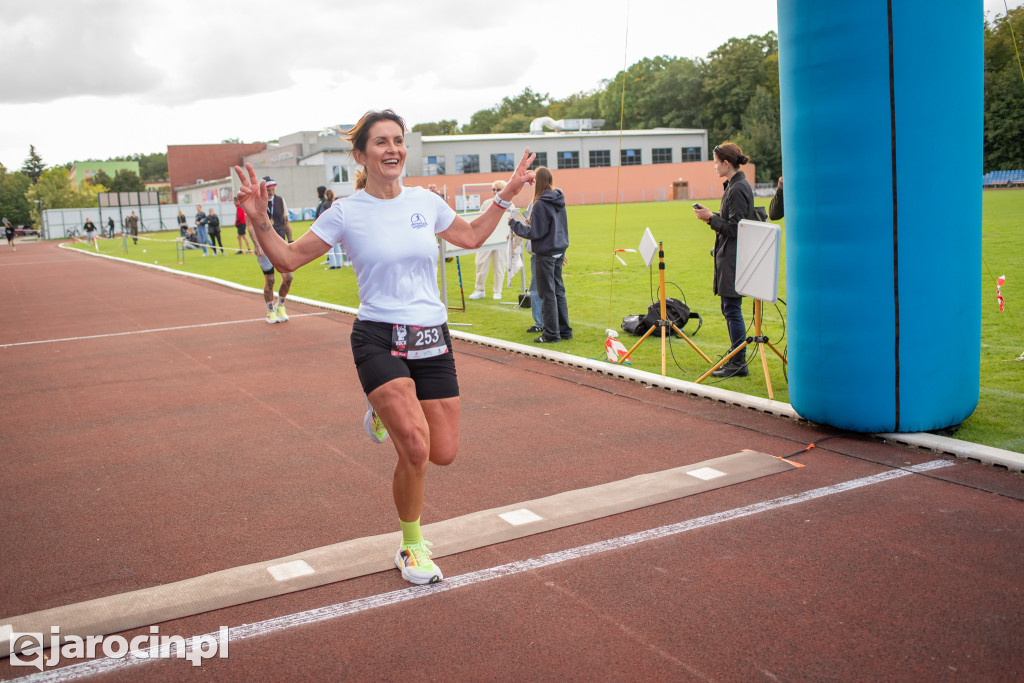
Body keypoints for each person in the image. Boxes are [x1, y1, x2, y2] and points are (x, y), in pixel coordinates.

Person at [234, 109, 535, 585]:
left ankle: (382, 410)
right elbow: (288, 257)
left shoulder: (426, 202)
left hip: (432, 338)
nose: (393, 149)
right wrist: (258, 221)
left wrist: (509, 193)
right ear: (361, 154)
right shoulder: (346, 212)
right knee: (415, 448)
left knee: (444, 452)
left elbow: (474, 236)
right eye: (381, 142)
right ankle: (411, 546)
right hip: (379, 338)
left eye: (398, 140)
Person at [693, 141, 754, 378]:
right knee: (729, 308)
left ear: (726, 163)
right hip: (728, 255)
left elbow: (737, 228)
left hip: (734, 257)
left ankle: (738, 362)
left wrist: (710, 219)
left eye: (716, 163)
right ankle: (735, 358)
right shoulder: (733, 186)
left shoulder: (738, 188)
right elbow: (731, 221)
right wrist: (713, 216)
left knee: (732, 309)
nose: (714, 167)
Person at [508, 167, 572, 343]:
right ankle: (564, 330)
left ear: (538, 182)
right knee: (558, 290)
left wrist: (515, 224)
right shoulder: (558, 198)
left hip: (546, 252)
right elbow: (551, 225)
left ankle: (551, 333)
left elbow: (536, 233)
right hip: (559, 249)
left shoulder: (541, 203)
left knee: (547, 293)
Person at [257, 176, 293, 322]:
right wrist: (257, 244)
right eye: (268, 190)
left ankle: (281, 305)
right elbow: (250, 226)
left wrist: (291, 241)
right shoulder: (257, 203)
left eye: (272, 189)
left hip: (280, 244)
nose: (271, 192)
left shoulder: (280, 201)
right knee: (270, 280)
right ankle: (270, 311)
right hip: (264, 245)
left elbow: (286, 221)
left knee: (288, 277)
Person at [469, 180, 511, 300]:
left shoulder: (509, 204)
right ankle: (479, 289)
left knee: (499, 265)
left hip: (501, 240)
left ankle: (497, 291)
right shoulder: (486, 203)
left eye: (498, 189)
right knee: (480, 263)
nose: (495, 192)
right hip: (485, 239)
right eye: (494, 189)